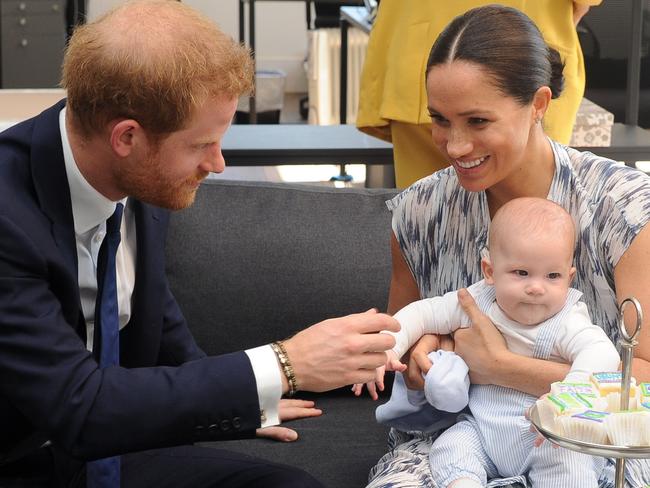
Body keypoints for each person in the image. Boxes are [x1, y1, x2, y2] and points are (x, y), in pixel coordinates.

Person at [0, 1, 400, 487]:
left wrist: (245, 398)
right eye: (200, 145)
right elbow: (79, 406)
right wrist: (284, 365)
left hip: (104, 452)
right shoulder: (8, 216)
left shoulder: (137, 180)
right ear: (127, 136)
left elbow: (156, 320)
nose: (218, 163)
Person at [365, 4, 650, 487]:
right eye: (440, 119)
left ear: (539, 104)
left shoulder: (623, 208)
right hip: (458, 440)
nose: (454, 146)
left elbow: (641, 378)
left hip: (595, 444)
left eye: (477, 121)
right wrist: (422, 358)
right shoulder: (417, 212)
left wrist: (500, 367)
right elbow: (403, 351)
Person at [355, 197, 620, 487]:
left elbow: (602, 353)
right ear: (490, 271)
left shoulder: (568, 319)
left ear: (569, 278)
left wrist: (570, 396)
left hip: (544, 437)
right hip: (481, 431)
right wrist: (388, 347)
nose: (536, 287)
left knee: (571, 462)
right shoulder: (477, 301)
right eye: (521, 273)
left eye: (553, 276)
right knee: (452, 446)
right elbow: (423, 313)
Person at [356, 0, 603, 188]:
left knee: (430, 224)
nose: (457, 147)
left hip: (417, 44)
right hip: (524, 51)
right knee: (532, 225)